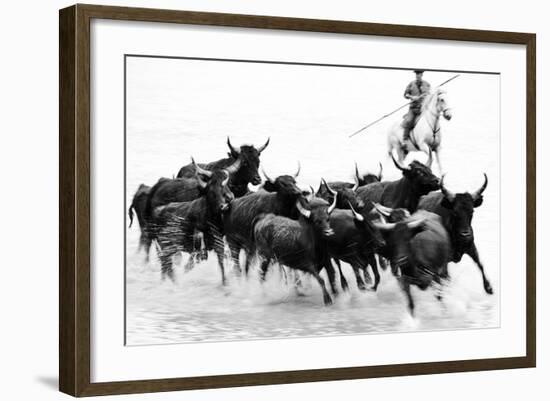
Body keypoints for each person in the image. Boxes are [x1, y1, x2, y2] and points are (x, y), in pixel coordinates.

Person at [402, 70, 431, 141]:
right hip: (413, 108)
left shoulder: (427, 84)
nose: (418, 75)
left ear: (422, 75)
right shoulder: (411, 84)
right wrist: (412, 97)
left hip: (424, 109)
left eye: (419, 74)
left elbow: (430, 95)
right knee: (409, 121)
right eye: (416, 74)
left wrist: (426, 96)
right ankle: (404, 140)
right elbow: (405, 94)